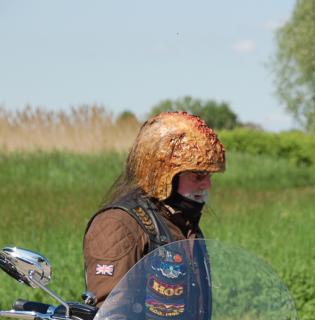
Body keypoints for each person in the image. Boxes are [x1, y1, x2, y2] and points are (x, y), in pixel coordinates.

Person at [83, 110, 225, 306]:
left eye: (209, 176)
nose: (207, 185)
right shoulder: (117, 224)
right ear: (163, 174)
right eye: (197, 176)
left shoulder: (182, 223)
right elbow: (107, 316)